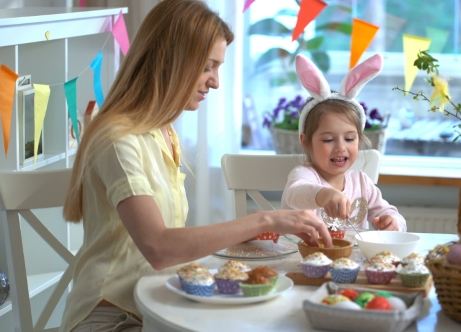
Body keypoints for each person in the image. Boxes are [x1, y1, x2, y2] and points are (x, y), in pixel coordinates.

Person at [59, 1, 332, 331]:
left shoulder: (164, 132)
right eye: (208, 67)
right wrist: (265, 218)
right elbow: (159, 247)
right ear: (171, 61)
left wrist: (257, 231)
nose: (215, 82)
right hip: (113, 315)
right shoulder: (119, 139)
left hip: (158, 304)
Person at [281, 53, 407, 233]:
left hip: (353, 260)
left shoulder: (362, 182)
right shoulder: (304, 175)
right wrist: (324, 195)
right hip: (305, 259)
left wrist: (393, 222)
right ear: (306, 141)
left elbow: (388, 212)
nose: (340, 147)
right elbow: (295, 194)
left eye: (349, 139)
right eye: (328, 140)